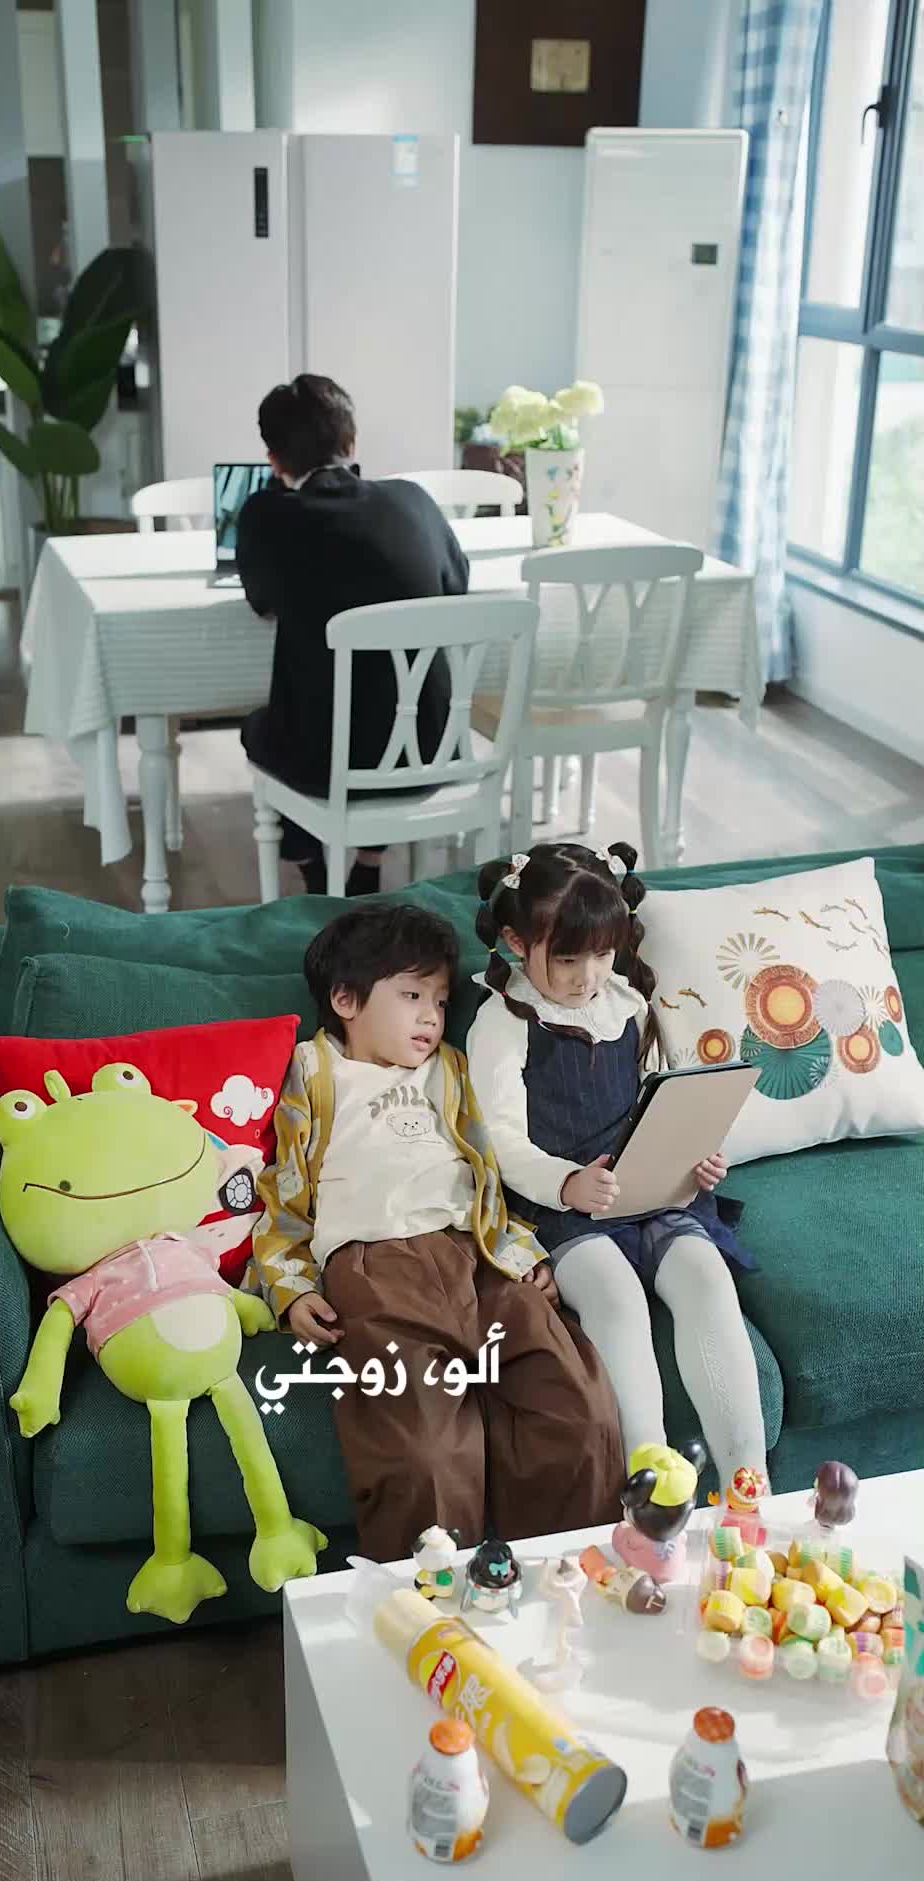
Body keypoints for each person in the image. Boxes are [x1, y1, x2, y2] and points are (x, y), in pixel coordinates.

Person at [248, 903, 624, 1561]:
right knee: (422, 1451)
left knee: (577, 1412)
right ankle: (432, 1598)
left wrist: (519, 1251)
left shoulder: (450, 1068)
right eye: (412, 996)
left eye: (441, 1001)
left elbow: (485, 1171)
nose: (431, 1016)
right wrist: (291, 1286)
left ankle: (564, 1575)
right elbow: (284, 1190)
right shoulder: (316, 1070)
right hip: (376, 1268)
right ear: (345, 1000)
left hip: (475, 1256)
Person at [465, 842, 768, 1492]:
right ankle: (649, 1482)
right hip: (563, 1207)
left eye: (602, 955)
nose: (587, 977)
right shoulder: (502, 1021)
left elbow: (662, 1100)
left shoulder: (628, 1003)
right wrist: (567, 1183)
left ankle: (749, 1483)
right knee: (618, 1299)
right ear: (516, 942)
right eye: (567, 959)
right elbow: (500, 1141)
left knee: (708, 1280)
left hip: (650, 1190)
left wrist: (693, 1157)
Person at [237, 374, 469, 898]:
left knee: (266, 726)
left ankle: (314, 874)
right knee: (369, 708)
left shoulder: (266, 516)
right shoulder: (414, 500)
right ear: (352, 443)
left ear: (273, 460)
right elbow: (456, 586)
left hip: (325, 765)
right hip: (432, 749)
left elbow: (261, 603)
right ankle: (368, 862)